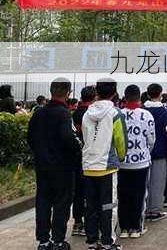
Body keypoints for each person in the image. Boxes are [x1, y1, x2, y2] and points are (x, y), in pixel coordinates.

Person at [27, 78, 82, 250]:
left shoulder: (38, 113)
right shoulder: (64, 113)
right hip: (62, 167)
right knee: (61, 203)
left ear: (51, 91)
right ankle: (58, 240)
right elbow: (69, 138)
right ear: (68, 93)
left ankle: (43, 241)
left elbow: (30, 138)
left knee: (43, 202)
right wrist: (78, 148)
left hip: (42, 167)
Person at [82, 78, 127, 250]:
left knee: (91, 206)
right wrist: (121, 157)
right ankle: (108, 241)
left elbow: (86, 137)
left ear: (97, 92)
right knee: (109, 206)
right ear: (115, 93)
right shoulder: (115, 113)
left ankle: (92, 241)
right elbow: (121, 140)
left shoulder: (88, 112)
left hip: (88, 165)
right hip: (107, 167)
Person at [118, 85, 155, 238]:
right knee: (139, 195)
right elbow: (151, 140)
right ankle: (136, 227)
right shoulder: (146, 115)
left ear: (125, 97)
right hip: (141, 162)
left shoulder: (117, 114)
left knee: (123, 195)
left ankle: (124, 228)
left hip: (121, 162)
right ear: (139, 97)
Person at [71, 86, 96, 237]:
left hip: (76, 158)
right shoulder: (92, 114)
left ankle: (77, 222)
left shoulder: (74, 114)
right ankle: (89, 222)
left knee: (78, 192)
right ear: (94, 98)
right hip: (91, 157)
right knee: (91, 192)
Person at [143, 83, 167, 223]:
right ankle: (154, 210)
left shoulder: (142, 111)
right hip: (160, 151)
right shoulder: (165, 113)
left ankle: (144, 208)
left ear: (148, 94)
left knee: (144, 183)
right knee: (158, 183)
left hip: (142, 153)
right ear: (160, 94)